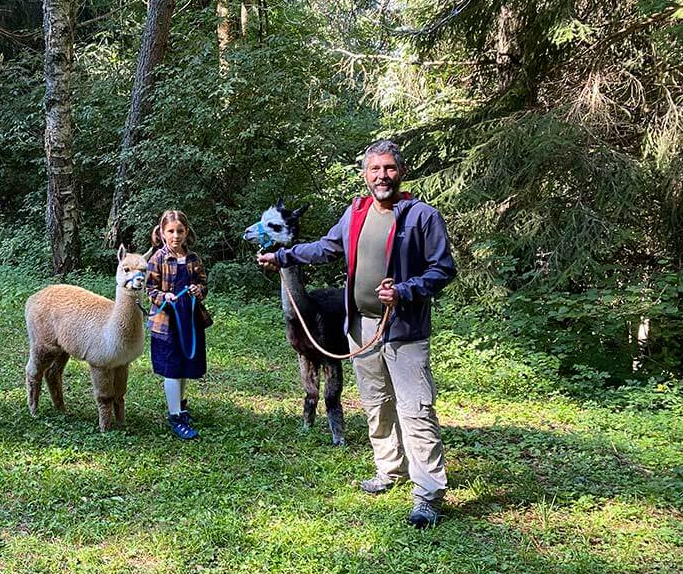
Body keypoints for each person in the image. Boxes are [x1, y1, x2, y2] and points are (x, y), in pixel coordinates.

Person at [257, 140, 456, 528]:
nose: (382, 176)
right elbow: (327, 248)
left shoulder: (421, 217)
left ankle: (428, 494)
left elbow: (442, 269)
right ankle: (389, 469)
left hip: (404, 330)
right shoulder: (357, 212)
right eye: (375, 170)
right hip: (361, 327)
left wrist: (404, 290)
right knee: (376, 403)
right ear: (365, 175)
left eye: (389, 169)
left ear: (401, 172)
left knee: (415, 409)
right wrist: (283, 256)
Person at [146, 210, 211, 441]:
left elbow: (203, 284)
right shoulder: (157, 259)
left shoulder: (193, 259)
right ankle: (174, 417)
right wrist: (164, 297)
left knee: (184, 366)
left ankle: (181, 408)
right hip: (167, 323)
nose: (176, 236)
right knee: (172, 368)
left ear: (186, 232)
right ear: (162, 233)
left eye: (180, 231)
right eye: (171, 231)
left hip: (189, 319)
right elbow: (150, 289)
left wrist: (198, 290)